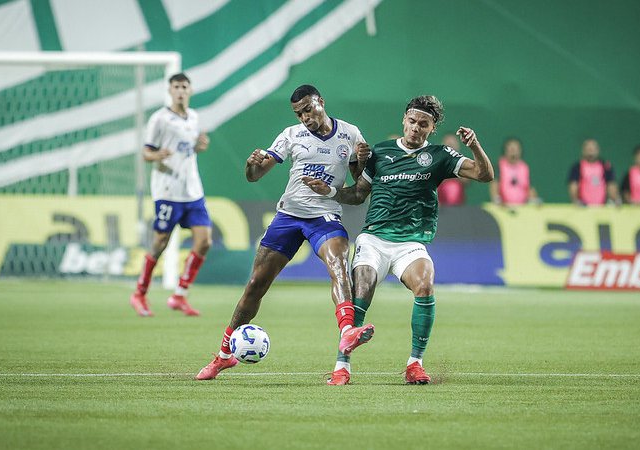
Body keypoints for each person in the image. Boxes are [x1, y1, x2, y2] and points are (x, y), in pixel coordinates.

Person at [303, 95, 494, 385]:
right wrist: (329, 192)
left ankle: (414, 364)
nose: (416, 128)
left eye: (424, 124)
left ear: (431, 128)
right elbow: (357, 194)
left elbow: (485, 174)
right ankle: (342, 367)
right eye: (412, 121)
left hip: (410, 243)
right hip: (374, 239)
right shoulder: (380, 152)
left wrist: (474, 146)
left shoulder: (441, 156)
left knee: (425, 283)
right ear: (404, 120)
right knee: (362, 290)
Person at [195, 84, 374, 380]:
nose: (304, 117)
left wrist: (364, 162)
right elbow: (255, 176)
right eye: (298, 113)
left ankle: (346, 331)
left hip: (325, 216)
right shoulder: (290, 135)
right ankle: (224, 355)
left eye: (308, 109)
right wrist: (251, 166)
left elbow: (359, 191)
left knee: (340, 267)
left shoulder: (350, 134)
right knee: (255, 285)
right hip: (289, 216)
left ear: (321, 101)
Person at [129, 73, 211, 317]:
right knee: (160, 243)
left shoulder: (194, 117)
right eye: (176, 87)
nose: (180, 91)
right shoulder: (160, 119)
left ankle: (179, 295)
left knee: (204, 241)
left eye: (184, 86)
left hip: (192, 190)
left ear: (190, 90)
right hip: (167, 191)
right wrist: (158, 155)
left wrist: (199, 146)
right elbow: (145, 153)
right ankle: (140, 293)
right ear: (170, 90)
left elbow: (191, 147)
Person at [567, 139, 620, 206]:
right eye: (588, 149)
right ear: (583, 150)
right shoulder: (577, 167)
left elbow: (611, 186)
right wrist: (576, 201)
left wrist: (615, 200)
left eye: (593, 149)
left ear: (598, 150)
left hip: (602, 207)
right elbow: (573, 187)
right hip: (583, 208)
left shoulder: (606, 166)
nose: (590, 151)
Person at [490, 137, 539, 206]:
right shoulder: (499, 166)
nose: (513, 151)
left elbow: (529, 187)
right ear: (505, 151)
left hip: (522, 208)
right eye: (510, 149)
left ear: (520, 151)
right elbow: (494, 184)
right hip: (503, 208)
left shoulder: (524, 168)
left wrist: (534, 200)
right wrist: (496, 200)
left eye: (515, 149)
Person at [436, 134, 470, 205]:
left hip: (456, 203)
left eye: (452, 144)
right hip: (439, 202)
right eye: (448, 144)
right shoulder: (436, 161)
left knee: (453, 187)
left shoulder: (462, 161)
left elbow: (466, 181)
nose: (451, 146)